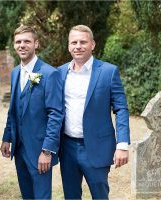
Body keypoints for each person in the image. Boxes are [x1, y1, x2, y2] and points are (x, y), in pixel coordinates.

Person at [58, 25, 130, 199]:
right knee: (71, 196)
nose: (78, 46)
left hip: (97, 147)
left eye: (83, 42)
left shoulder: (108, 72)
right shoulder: (59, 73)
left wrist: (122, 145)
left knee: (100, 195)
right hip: (67, 147)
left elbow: (121, 109)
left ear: (93, 44)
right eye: (74, 42)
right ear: (68, 46)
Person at [0, 25, 63, 199]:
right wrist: (7, 137)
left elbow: (55, 115)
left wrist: (47, 151)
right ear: (14, 45)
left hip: (39, 151)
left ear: (36, 44)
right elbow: (13, 109)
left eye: (27, 41)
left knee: (41, 196)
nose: (22, 45)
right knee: (26, 195)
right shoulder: (14, 73)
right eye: (18, 41)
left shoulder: (50, 74)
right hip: (19, 148)